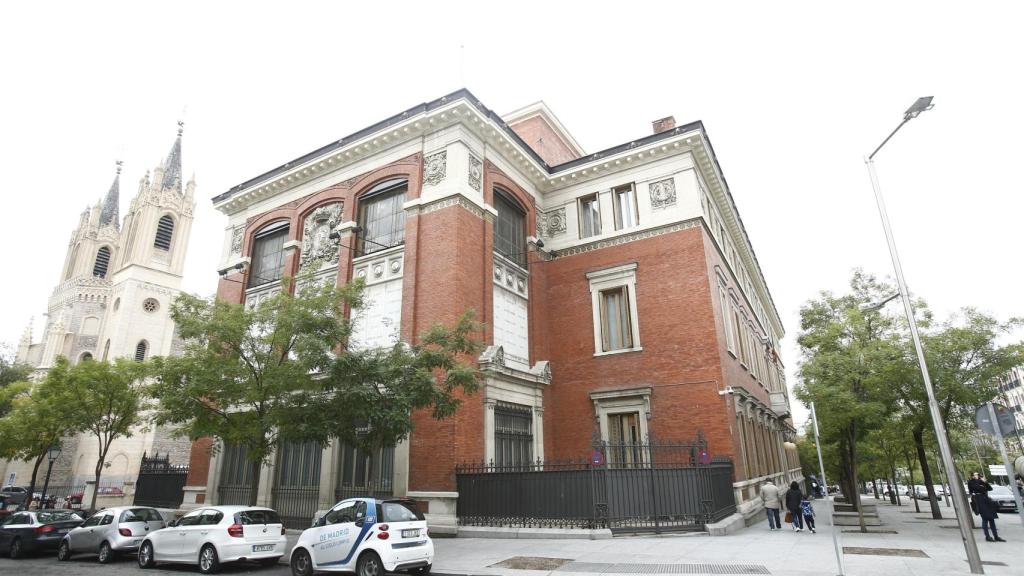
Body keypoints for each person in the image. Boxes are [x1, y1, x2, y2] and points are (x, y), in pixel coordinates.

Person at [968, 472, 1004, 542]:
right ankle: (987, 536)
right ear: (972, 476)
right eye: (976, 475)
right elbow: (976, 488)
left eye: (978, 474)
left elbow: (990, 488)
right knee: (985, 518)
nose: (978, 476)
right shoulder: (971, 482)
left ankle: (996, 536)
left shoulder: (982, 482)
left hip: (986, 499)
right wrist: (980, 481)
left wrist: (985, 482)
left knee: (992, 518)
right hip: (979, 499)